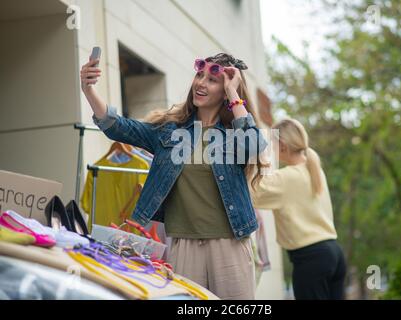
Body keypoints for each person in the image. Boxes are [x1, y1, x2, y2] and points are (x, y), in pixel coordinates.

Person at [80, 52, 267, 299]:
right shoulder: (168, 130)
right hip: (184, 246)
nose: (201, 83)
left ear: (224, 91)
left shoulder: (233, 133)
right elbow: (118, 127)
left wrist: (234, 93)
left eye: (212, 80)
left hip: (229, 245)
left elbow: (255, 146)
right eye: (199, 75)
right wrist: (88, 90)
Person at [251, 118, 346, 300]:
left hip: (311, 260)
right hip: (334, 254)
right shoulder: (314, 169)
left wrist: (257, 161)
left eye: (272, 143)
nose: (270, 149)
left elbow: (252, 193)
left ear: (283, 146)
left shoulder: (287, 178)